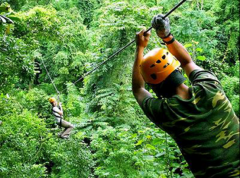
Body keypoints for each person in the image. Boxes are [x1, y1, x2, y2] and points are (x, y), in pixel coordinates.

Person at [132, 14, 239, 178]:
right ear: (178, 70)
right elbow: (188, 62)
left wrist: (140, 48)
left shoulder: (167, 113)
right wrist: (166, 35)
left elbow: (139, 89)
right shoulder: (210, 87)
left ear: (155, 88)